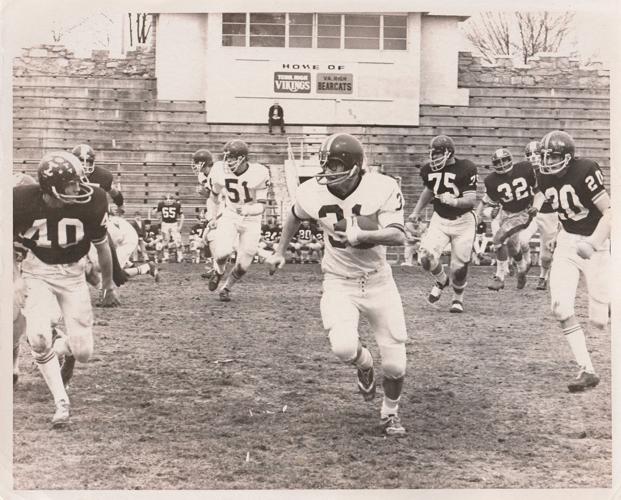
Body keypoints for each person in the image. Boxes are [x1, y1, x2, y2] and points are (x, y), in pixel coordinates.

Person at [267, 133, 408, 436]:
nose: (326, 172)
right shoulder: (313, 192)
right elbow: (294, 215)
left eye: (333, 165)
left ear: (355, 168)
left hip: (378, 281)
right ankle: (365, 363)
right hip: (338, 281)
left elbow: (398, 235)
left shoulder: (382, 187)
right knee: (343, 347)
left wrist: (362, 235)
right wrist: (280, 251)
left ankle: (389, 413)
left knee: (396, 364)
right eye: (324, 164)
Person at [13, 151, 120, 427]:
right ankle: (61, 401)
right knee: (37, 336)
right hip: (37, 271)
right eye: (71, 183)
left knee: (84, 352)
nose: (78, 188)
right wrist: (15, 279)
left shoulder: (93, 200)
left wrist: (107, 284)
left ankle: (67, 350)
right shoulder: (21, 201)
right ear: (52, 188)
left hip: (73, 275)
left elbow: (102, 245)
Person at [533, 130, 610, 393]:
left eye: (552, 157)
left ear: (568, 157)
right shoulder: (543, 177)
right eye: (545, 157)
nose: (547, 162)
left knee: (599, 321)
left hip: (596, 244)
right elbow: (556, 210)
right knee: (560, 306)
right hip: (568, 241)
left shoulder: (585, 169)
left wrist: (594, 242)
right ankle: (587, 369)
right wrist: (554, 236)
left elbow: (610, 212)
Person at [406, 135, 477, 313]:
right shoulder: (429, 170)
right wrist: (416, 211)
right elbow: (429, 190)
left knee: (459, 268)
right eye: (432, 153)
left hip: (463, 221)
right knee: (425, 257)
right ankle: (441, 279)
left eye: (437, 154)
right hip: (440, 219)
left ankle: (457, 298)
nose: (434, 157)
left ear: (449, 153)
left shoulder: (466, 167)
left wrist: (454, 201)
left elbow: (470, 200)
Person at [204, 139, 271, 302]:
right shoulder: (219, 170)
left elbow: (262, 206)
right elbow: (213, 197)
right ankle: (218, 271)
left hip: (252, 220)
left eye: (232, 158)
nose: (227, 161)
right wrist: (212, 217)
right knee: (222, 253)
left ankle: (226, 288)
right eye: (226, 157)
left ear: (242, 158)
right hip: (230, 214)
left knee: (243, 265)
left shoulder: (259, 172)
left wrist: (248, 209)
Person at [474, 148, 537, 290]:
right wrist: (478, 215)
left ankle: (500, 277)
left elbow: (538, 188)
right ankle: (522, 269)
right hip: (505, 212)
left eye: (505, 161)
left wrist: (536, 206)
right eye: (498, 162)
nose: (502, 165)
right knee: (513, 247)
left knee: (497, 239)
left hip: (522, 213)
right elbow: (486, 200)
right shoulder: (491, 180)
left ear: (511, 160)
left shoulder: (524, 168)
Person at [518, 140, 560, 290]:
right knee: (521, 240)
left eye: (536, 154)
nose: (533, 157)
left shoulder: (552, 171)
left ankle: (543, 276)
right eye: (529, 155)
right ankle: (528, 261)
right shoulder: (524, 172)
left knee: (546, 255)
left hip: (550, 214)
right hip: (532, 213)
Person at [71, 144, 125, 214]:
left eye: (88, 161)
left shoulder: (103, 176)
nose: (84, 164)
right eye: (80, 160)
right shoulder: (66, 173)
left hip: (95, 211)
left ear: (92, 162)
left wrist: (120, 205)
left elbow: (114, 192)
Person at [156, 194, 184, 262]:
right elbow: (157, 213)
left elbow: (182, 216)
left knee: (178, 240)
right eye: (166, 199)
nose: (168, 201)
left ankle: (180, 256)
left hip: (174, 224)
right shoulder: (161, 204)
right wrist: (159, 219)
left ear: (173, 200)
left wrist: (180, 226)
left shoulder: (177, 205)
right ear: (164, 200)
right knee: (165, 240)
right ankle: (166, 256)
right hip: (165, 224)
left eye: (170, 199)